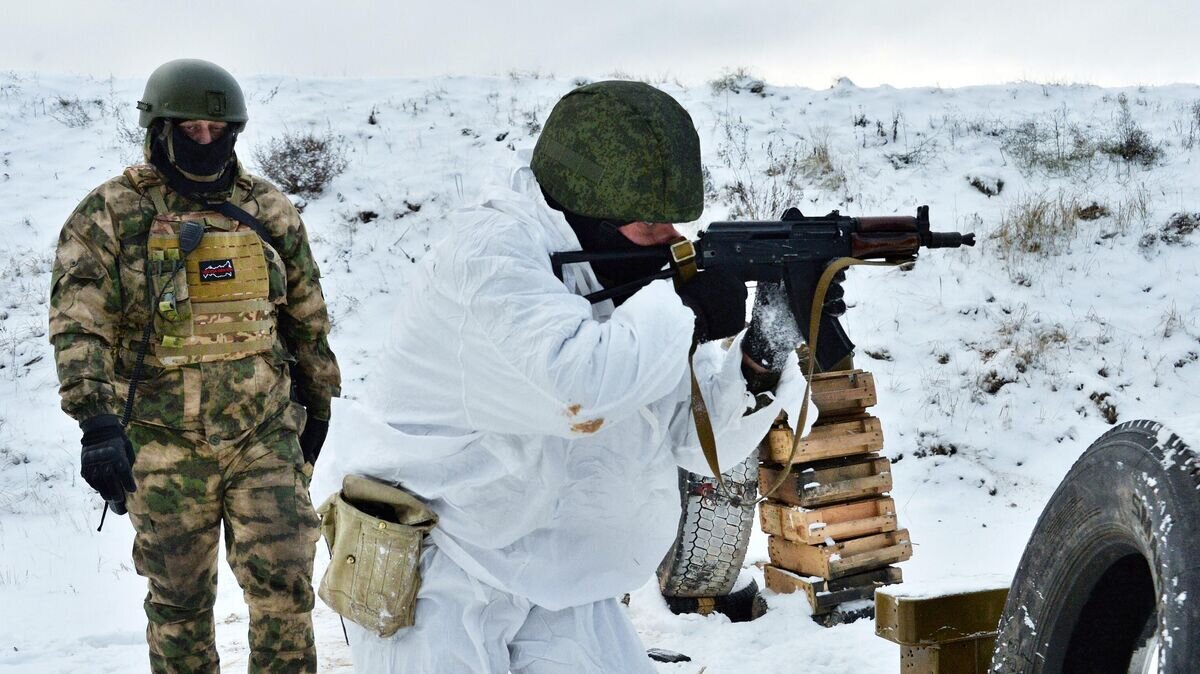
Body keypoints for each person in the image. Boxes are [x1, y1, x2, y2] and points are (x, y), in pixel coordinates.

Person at [312, 80, 805, 673]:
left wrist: (763, 350)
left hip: (557, 579)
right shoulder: (491, 253)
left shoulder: (622, 287)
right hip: (438, 574)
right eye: (650, 226)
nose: (671, 242)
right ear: (588, 209)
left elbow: (692, 440)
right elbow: (582, 385)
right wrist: (686, 309)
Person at [49, 58, 340, 674]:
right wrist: (97, 423)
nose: (204, 141)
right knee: (179, 605)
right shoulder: (111, 213)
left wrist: (318, 407)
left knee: (288, 589)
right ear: (158, 129)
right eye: (189, 129)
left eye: (216, 129)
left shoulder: (269, 209)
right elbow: (79, 323)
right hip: (161, 445)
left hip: (261, 437)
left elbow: (307, 314)